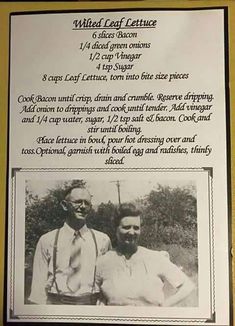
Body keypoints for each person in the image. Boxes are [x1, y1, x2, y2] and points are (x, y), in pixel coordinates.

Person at [95, 203, 195, 306]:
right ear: (115, 229)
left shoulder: (155, 258)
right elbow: (95, 297)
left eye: (136, 228)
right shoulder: (103, 262)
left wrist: (164, 307)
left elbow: (187, 286)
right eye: (126, 227)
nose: (132, 232)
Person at [28, 186, 111, 305]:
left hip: (91, 306)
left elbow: (108, 283)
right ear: (64, 205)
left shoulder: (102, 240)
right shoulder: (47, 240)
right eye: (78, 202)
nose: (83, 206)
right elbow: (38, 287)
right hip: (57, 306)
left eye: (87, 203)